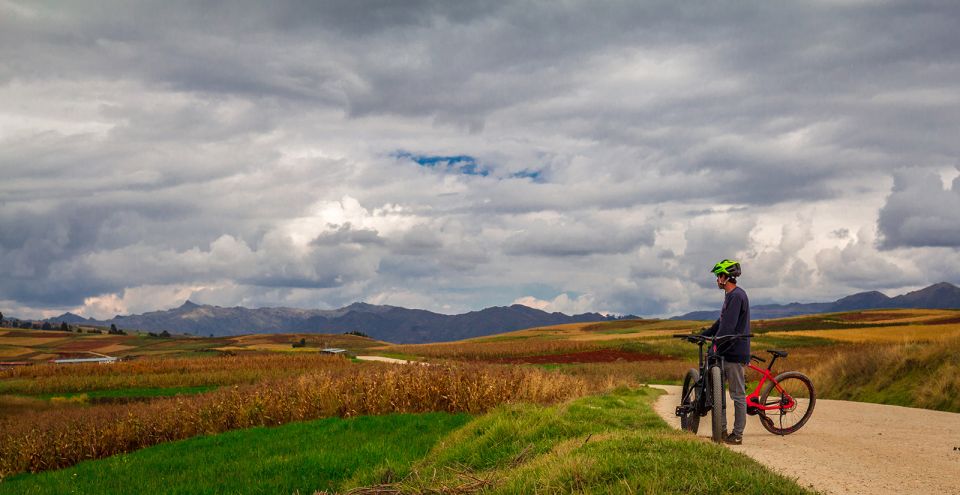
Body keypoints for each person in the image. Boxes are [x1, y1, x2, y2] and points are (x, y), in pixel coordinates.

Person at [700, 259, 750, 445]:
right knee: (718, 391)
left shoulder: (737, 296)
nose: (716, 280)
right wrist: (704, 334)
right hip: (725, 350)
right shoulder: (730, 296)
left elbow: (728, 327)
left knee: (737, 394)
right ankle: (720, 432)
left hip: (735, 351)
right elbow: (721, 323)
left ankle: (737, 435)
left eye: (717, 276)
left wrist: (714, 345)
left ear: (725, 277)